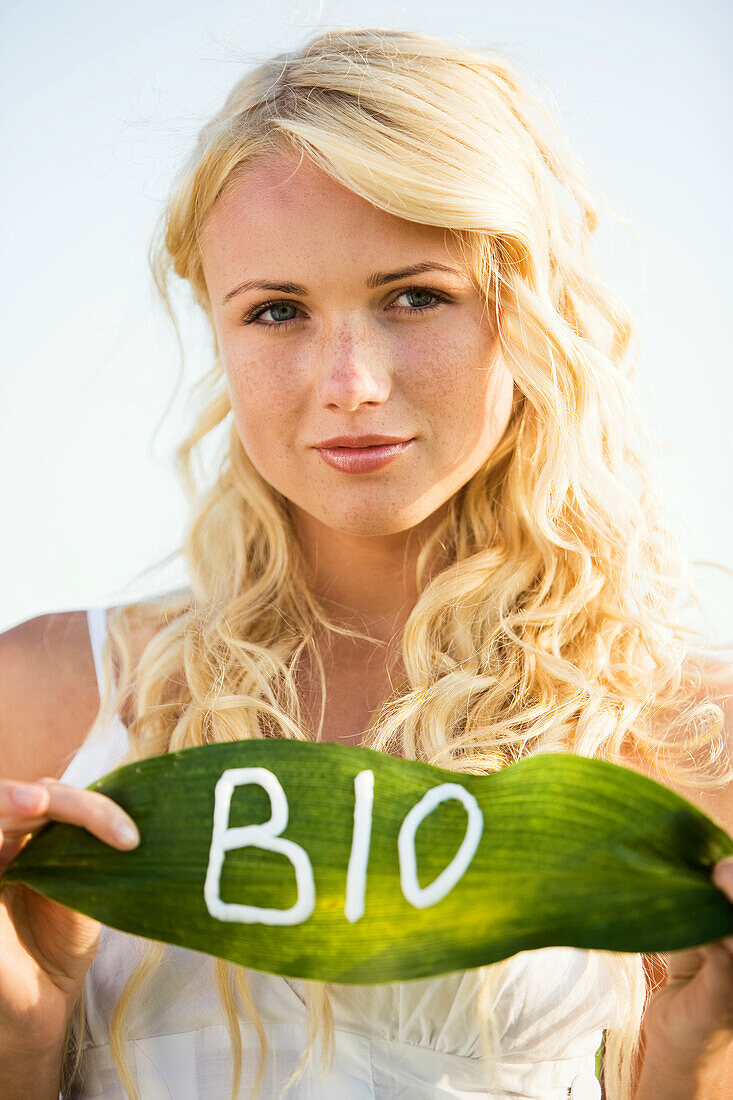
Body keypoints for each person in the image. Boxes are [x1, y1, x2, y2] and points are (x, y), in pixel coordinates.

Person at [1, 25, 733, 1100]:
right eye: (278, 310)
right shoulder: (49, 702)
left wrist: (690, 1061)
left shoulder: (689, 734)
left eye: (413, 294)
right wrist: (24, 1030)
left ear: (527, 311)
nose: (349, 381)